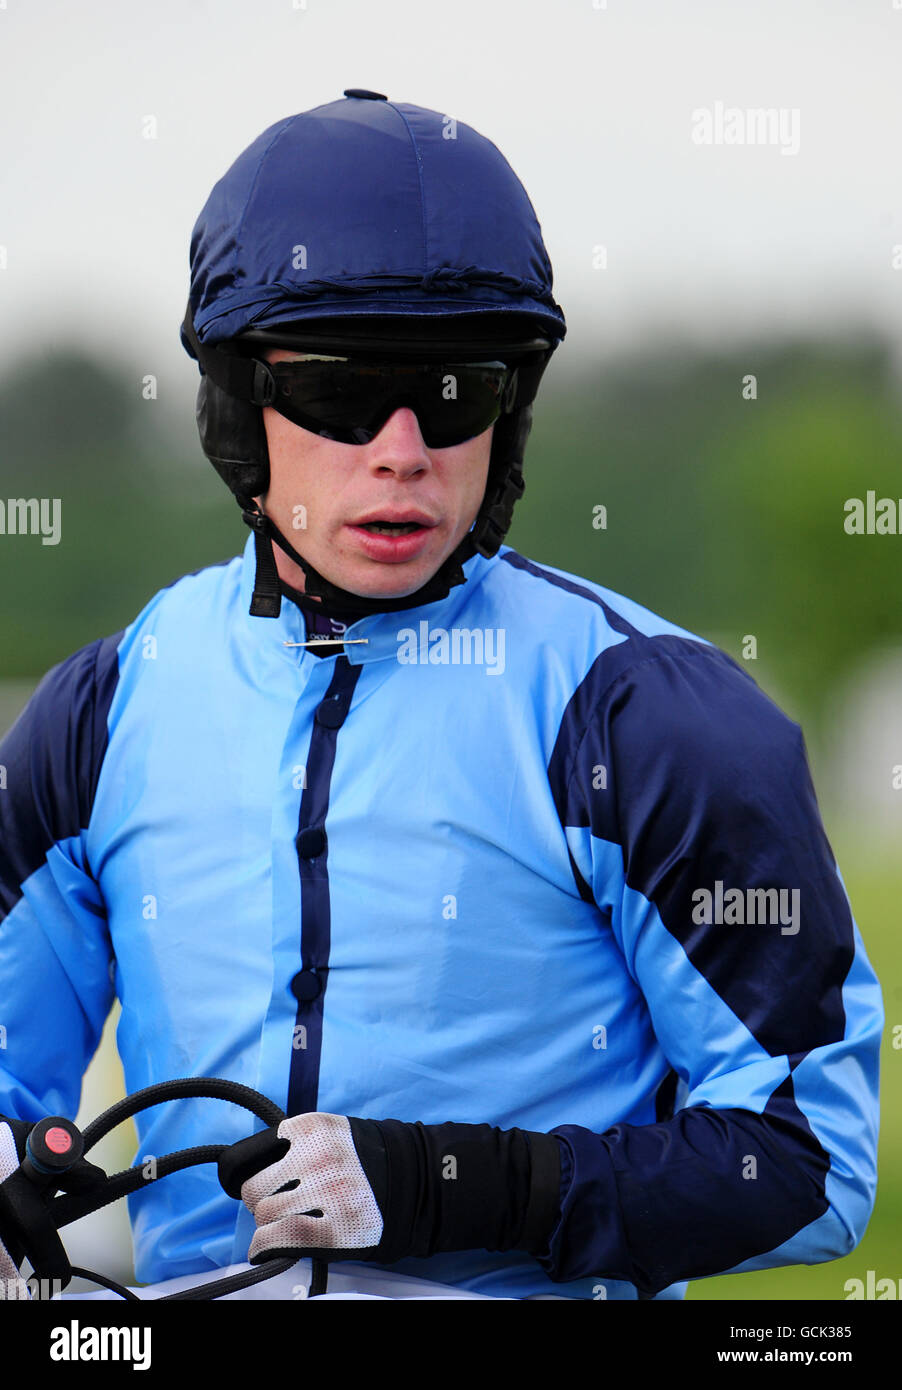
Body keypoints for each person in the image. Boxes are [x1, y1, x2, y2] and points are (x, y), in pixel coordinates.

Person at [0, 90, 883, 1302]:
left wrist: (446, 1187)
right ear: (233, 402)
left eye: (457, 388)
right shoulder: (99, 710)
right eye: (341, 392)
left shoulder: (655, 717)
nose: (404, 447)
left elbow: (812, 1160)